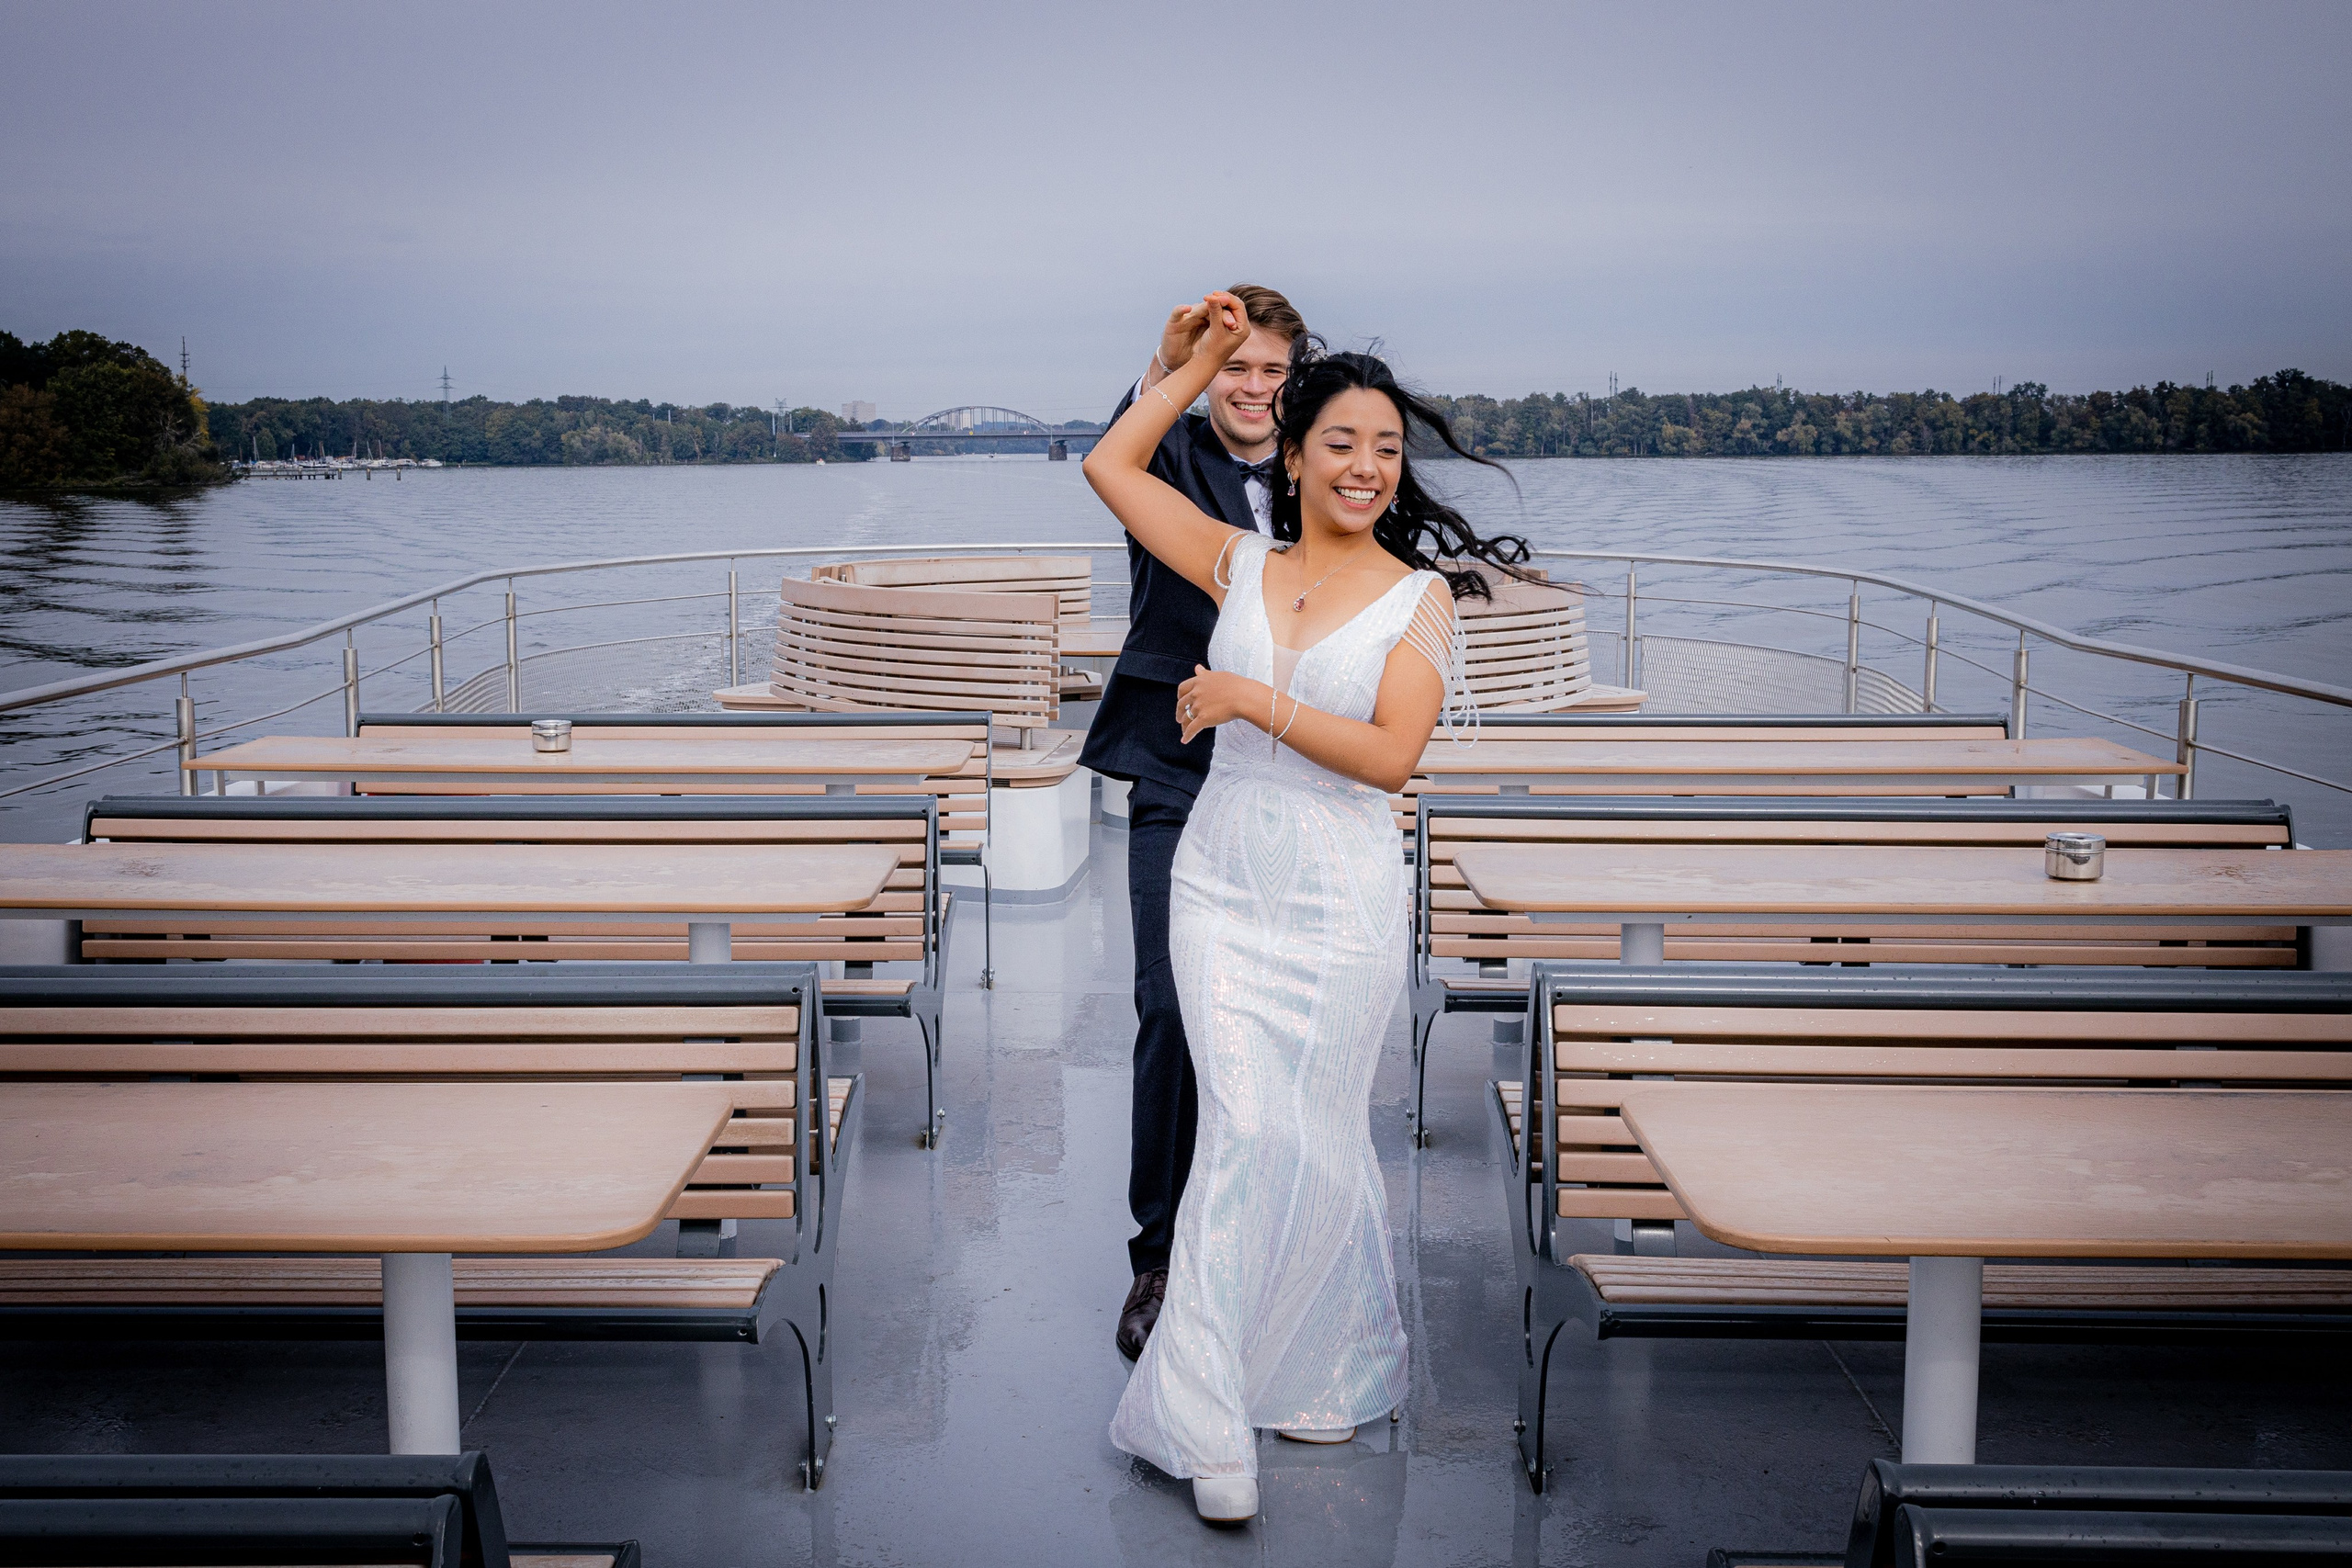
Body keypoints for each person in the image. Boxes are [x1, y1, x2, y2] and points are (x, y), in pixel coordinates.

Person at [1082, 291, 1532, 1524]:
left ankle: (1321, 1354)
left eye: (1388, 448)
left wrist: (1249, 698)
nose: (1367, 466)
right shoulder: (1237, 558)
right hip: (1221, 877)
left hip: (1339, 894)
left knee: (1320, 1128)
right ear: (1291, 452)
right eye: (1341, 442)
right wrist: (1189, 364)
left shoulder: (1418, 598)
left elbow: (1392, 756)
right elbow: (1111, 461)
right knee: (1235, 1124)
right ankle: (1204, 1405)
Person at [1079, 284, 1306, 1365]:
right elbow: (1119, 444)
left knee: (1276, 1018)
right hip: (1176, 769)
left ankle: (1267, 1244)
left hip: (1299, 776)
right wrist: (1167, 364)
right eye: (1235, 368)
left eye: (1271, 370)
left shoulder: (1329, 472)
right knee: (1171, 1009)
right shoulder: (1164, 454)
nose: (1252, 389)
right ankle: (1160, 1259)